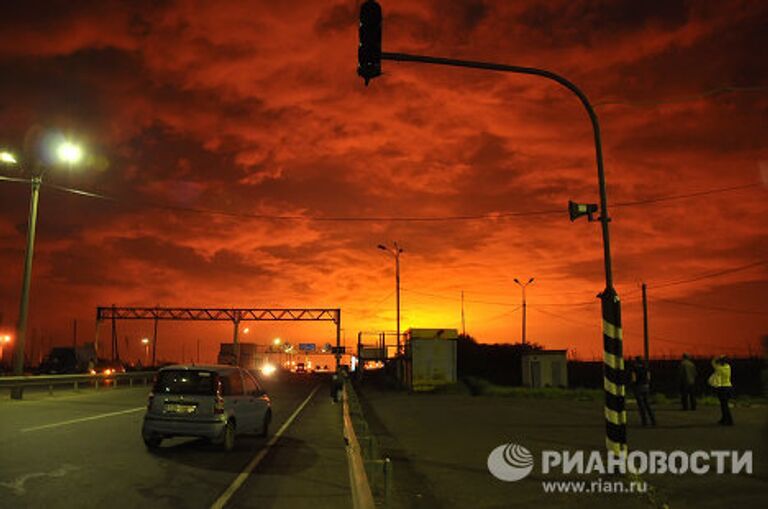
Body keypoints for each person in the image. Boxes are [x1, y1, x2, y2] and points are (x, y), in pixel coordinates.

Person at [630, 356, 656, 426]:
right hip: (645, 386)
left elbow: (634, 379)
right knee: (647, 404)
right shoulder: (645, 367)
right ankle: (653, 420)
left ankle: (644, 421)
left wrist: (633, 385)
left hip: (638, 387)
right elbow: (648, 377)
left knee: (641, 406)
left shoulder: (634, 368)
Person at [709, 355, 733, 425]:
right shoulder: (728, 367)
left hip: (722, 388)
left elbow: (712, 362)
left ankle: (728, 420)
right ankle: (724, 419)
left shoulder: (718, 368)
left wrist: (717, 358)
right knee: (724, 405)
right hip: (729, 387)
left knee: (724, 405)